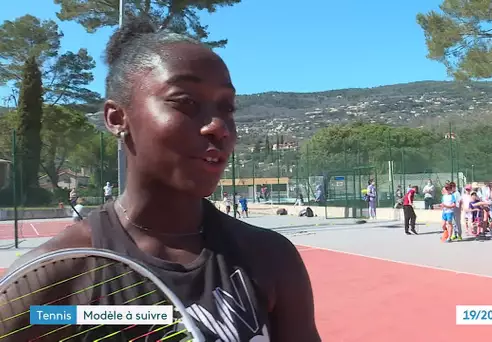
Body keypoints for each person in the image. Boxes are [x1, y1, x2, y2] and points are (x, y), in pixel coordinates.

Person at [7, 18, 320, 341]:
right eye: (185, 102)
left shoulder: (270, 258)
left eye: (227, 107)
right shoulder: (55, 274)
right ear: (117, 118)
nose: (219, 126)